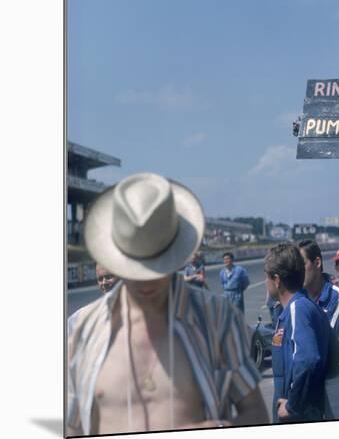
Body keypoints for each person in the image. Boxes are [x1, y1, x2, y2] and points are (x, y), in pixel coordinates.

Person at [67, 173, 268, 435]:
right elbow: (71, 425)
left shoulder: (217, 317)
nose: (146, 282)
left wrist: (221, 427)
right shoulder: (84, 328)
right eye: (135, 269)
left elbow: (256, 412)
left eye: (157, 267)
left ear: (176, 255)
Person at [265, 242, 332, 423]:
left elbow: (308, 359)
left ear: (277, 280)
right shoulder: (297, 308)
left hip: (297, 416)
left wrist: (292, 405)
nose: (266, 283)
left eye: (267, 277)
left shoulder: (298, 309)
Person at [298, 239, 339, 336]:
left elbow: (327, 340)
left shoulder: (336, 296)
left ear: (317, 263)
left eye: (302, 264)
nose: (298, 271)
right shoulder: (295, 295)